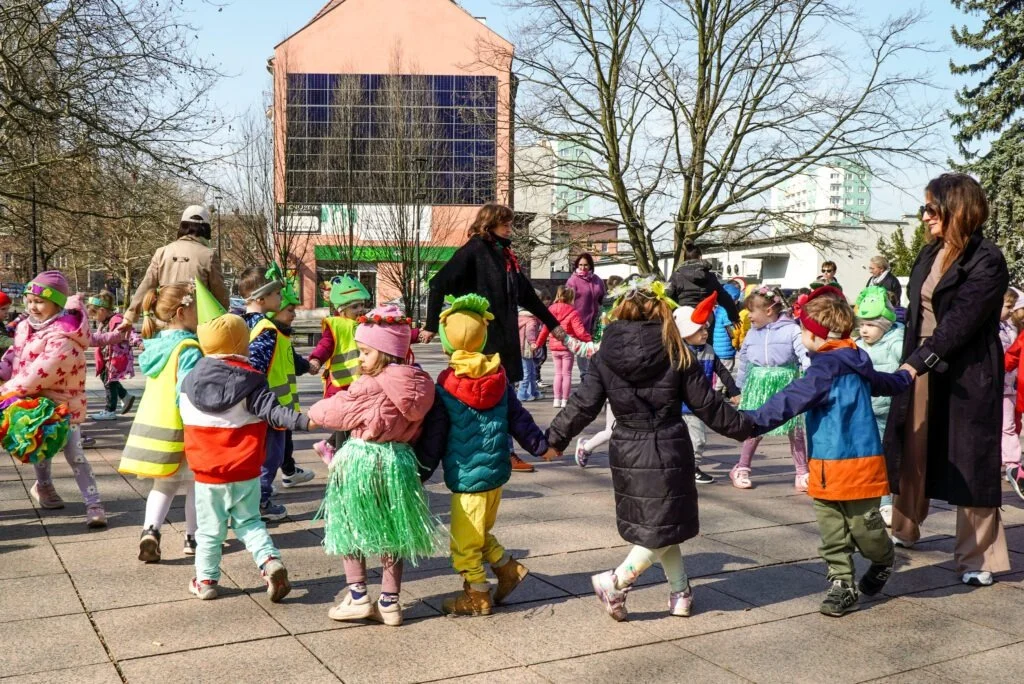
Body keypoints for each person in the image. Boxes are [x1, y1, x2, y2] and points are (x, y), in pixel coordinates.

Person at [546, 277, 755, 621]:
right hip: (669, 444)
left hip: (628, 448)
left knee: (660, 524)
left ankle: (681, 592)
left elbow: (583, 404)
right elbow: (708, 406)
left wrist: (554, 439)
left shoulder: (605, 354)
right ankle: (618, 581)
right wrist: (747, 426)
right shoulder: (677, 351)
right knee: (662, 523)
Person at [744, 287, 912, 616]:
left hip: (858, 464)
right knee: (833, 531)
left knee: (865, 527)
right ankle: (842, 583)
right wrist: (905, 376)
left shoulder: (827, 369)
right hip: (825, 465)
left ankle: (882, 559)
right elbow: (884, 382)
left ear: (813, 335)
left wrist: (749, 422)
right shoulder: (840, 362)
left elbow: (790, 399)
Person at [886, 173, 1011, 587]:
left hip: (968, 371)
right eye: (923, 208)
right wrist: (910, 361)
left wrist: (918, 362)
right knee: (912, 445)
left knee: (971, 459)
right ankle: (904, 528)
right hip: (920, 362)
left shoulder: (986, 259)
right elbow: (915, 316)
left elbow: (961, 322)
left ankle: (978, 557)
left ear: (956, 208)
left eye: (930, 208)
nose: (924, 217)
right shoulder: (927, 254)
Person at [416, 295, 555, 616]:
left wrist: (420, 470)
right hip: (495, 474)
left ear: (447, 342)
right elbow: (519, 418)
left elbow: (434, 436)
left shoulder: (445, 386)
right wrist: (540, 446)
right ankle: (508, 569)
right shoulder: (498, 377)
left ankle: (477, 596)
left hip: (467, 479)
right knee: (479, 532)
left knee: (463, 543)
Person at [309, 305, 443, 625]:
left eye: (365, 352)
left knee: (349, 524)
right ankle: (390, 603)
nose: (360, 359)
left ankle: (357, 596)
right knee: (393, 530)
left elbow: (337, 412)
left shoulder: (370, 385)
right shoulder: (421, 383)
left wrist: (310, 414)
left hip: (363, 463)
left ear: (384, 353)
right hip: (399, 463)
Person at [180, 309, 313, 602]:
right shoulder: (251, 381)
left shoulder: (189, 382)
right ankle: (269, 561)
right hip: (245, 470)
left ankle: (205, 580)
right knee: (250, 522)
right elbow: (275, 413)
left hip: (207, 472)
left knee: (209, 531)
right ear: (243, 344)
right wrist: (305, 421)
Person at [422, 203, 566, 473]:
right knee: (495, 394)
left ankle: (503, 449)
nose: (509, 228)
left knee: (503, 394)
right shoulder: (475, 249)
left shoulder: (505, 255)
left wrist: (552, 324)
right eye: (505, 223)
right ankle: (502, 451)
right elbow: (438, 283)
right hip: (484, 338)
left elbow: (527, 295)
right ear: (489, 224)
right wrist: (431, 325)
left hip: (504, 335)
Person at [0, 272, 123, 527]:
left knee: (75, 454)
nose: (33, 306)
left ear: (57, 303)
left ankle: (93, 503)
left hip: (63, 404)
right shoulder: (25, 327)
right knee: (40, 449)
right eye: (29, 301)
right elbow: (15, 354)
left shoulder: (64, 335)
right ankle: (44, 487)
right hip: (35, 402)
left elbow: (42, 370)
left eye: (39, 301)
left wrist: (7, 390)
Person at [118, 283, 203, 561]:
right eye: (197, 308)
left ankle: (150, 530)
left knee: (163, 486)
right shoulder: (189, 347)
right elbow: (187, 392)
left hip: (155, 427)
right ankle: (193, 538)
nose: (201, 313)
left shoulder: (155, 346)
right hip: (182, 429)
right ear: (181, 312)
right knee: (196, 486)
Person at [732, 286, 811, 490]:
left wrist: (811, 377)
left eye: (752, 311)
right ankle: (742, 468)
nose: (749, 316)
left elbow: (804, 354)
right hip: (758, 384)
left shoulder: (792, 330)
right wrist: (738, 389)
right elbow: (745, 361)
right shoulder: (752, 334)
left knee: (796, 429)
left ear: (769, 311)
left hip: (786, 383)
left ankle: (802, 472)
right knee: (754, 428)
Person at [237, 266, 291, 521]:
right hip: (269, 404)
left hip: (246, 403)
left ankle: (250, 498)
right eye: (277, 293)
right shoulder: (266, 328)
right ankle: (261, 502)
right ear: (261, 298)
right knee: (271, 456)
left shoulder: (237, 323)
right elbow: (256, 369)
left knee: (253, 454)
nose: (281, 298)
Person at [120, 205, 229, 333]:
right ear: (206, 229)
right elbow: (220, 295)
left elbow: (146, 285)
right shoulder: (209, 255)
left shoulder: (162, 252)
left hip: (165, 321)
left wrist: (129, 317)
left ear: (182, 227)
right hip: (196, 324)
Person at [674, 292, 741, 485]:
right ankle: (688, 469)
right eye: (699, 330)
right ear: (685, 332)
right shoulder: (680, 353)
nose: (705, 333)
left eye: (706, 329)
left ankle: (688, 468)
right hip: (680, 406)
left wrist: (734, 392)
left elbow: (722, 371)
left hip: (698, 405)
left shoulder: (709, 350)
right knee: (689, 439)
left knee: (697, 439)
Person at [854, 286, 905, 527]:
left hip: (890, 411)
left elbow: (906, 358)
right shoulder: (858, 345)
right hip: (865, 411)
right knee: (867, 456)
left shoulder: (896, 340)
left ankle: (886, 502)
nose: (864, 329)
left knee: (884, 458)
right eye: (862, 324)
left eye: (871, 325)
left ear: (885, 324)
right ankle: (869, 497)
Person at [308, 274, 372, 463]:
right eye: (355, 306)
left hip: (358, 381)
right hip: (341, 382)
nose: (360, 309)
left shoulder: (363, 324)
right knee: (346, 419)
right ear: (342, 309)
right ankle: (339, 456)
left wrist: (415, 334)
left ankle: (329, 446)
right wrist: (316, 359)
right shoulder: (336, 324)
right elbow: (326, 344)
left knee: (353, 418)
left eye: (361, 305)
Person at [264, 268, 316, 489]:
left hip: (281, 404)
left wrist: (308, 366)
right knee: (272, 451)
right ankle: (263, 489)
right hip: (271, 405)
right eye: (290, 310)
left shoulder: (281, 335)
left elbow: (292, 361)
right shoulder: (270, 335)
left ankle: (289, 472)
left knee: (284, 444)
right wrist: (308, 366)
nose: (294, 314)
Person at [535, 286, 592, 408]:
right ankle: (565, 400)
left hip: (554, 346)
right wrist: (590, 340)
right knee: (567, 374)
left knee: (558, 373)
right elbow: (580, 332)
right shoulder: (573, 312)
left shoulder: (550, 310)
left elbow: (545, 330)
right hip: (567, 346)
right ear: (571, 298)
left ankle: (556, 400)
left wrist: (538, 344)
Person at [87, 291, 140, 421]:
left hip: (115, 358)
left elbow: (129, 331)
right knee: (109, 379)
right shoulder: (105, 322)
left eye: (94, 315)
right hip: (107, 358)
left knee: (109, 382)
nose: (93, 318)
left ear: (102, 310)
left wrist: (138, 342)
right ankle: (125, 396)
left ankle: (110, 410)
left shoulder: (117, 320)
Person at [664, 240, 740, 325]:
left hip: (683, 317)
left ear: (684, 259)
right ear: (700, 257)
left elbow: (666, 297)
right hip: (705, 318)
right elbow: (725, 298)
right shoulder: (710, 277)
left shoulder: (676, 276)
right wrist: (734, 317)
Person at [565, 253, 605, 379]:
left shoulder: (597, 280)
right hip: (580, 321)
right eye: (580, 265)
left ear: (590, 265)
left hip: (596, 321)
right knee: (583, 350)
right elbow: (567, 302)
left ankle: (594, 376)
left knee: (596, 349)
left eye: (586, 265)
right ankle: (585, 376)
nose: (583, 268)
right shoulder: (572, 281)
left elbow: (603, 298)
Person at [999, 289, 1023, 488]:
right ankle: (1011, 463)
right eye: (1008, 306)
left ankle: (1012, 463)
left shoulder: (1009, 328)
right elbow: (1012, 355)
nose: (1011, 311)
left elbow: (1012, 355)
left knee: (1010, 424)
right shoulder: (990, 329)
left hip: (1010, 385)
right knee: (1006, 425)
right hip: (999, 384)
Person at [712, 281, 741, 387]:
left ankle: (720, 390)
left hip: (717, 347)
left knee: (719, 373)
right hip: (725, 349)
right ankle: (719, 392)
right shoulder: (727, 311)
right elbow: (730, 330)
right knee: (725, 374)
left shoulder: (718, 309)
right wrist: (735, 342)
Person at [517, 306, 543, 402]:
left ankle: (533, 391)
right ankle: (522, 393)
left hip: (520, 348)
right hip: (527, 349)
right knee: (527, 372)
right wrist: (533, 342)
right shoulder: (531, 320)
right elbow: (530, 331)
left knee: (531, 371)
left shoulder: (519, 318)